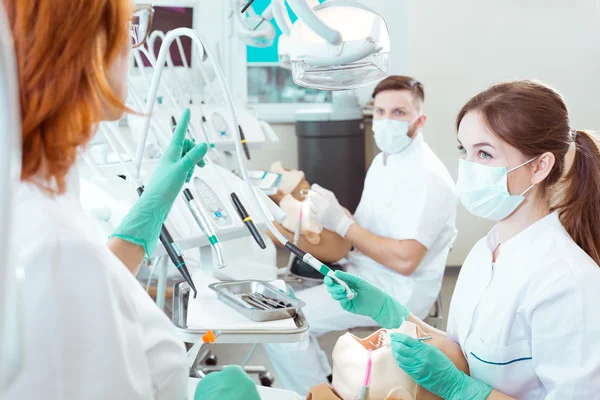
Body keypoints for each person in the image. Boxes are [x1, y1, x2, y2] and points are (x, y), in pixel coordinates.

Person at [1, 0, 262, 399]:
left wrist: (150, 211)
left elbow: (84, 296)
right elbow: (65, 271)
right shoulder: (53, 244)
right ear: (84, 44)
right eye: (131, 22)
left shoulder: (36, 192)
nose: (135, 43)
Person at [325, 80, 600, 399]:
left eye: (484, 153)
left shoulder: (569, 283)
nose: (468, 168)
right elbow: (462, 350)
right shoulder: (486, 253)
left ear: (539, 166)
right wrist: (389, 311)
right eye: (463, 150)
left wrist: (463, 390)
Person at [265, 76, 458, 395]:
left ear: (419, 120)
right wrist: (330, 211)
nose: (386, 120)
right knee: (277, 296)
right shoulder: (385, 161)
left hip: (398, 289)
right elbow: (366, 226)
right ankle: (329, 386)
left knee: (284, 323)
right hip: (364, 270)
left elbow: (405, 261)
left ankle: (320, 394)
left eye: (398, 113)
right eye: (380, 112)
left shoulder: (428, 177)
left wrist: (342, 224)